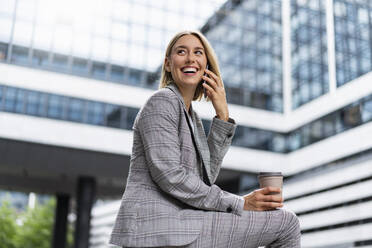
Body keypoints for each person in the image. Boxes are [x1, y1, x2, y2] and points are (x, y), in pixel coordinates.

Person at [110, 30, 301, 248]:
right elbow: (171, 176)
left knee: (283, 221)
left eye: (198, 52)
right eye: (181, 51)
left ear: (206, 66)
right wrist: (239, 203)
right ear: (168, 64)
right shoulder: (161, 101)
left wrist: (222, 116)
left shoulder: (192, 117)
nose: (191, 58)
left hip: (184, 223)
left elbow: (205, 177)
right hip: (163, 227)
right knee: (286, 224)